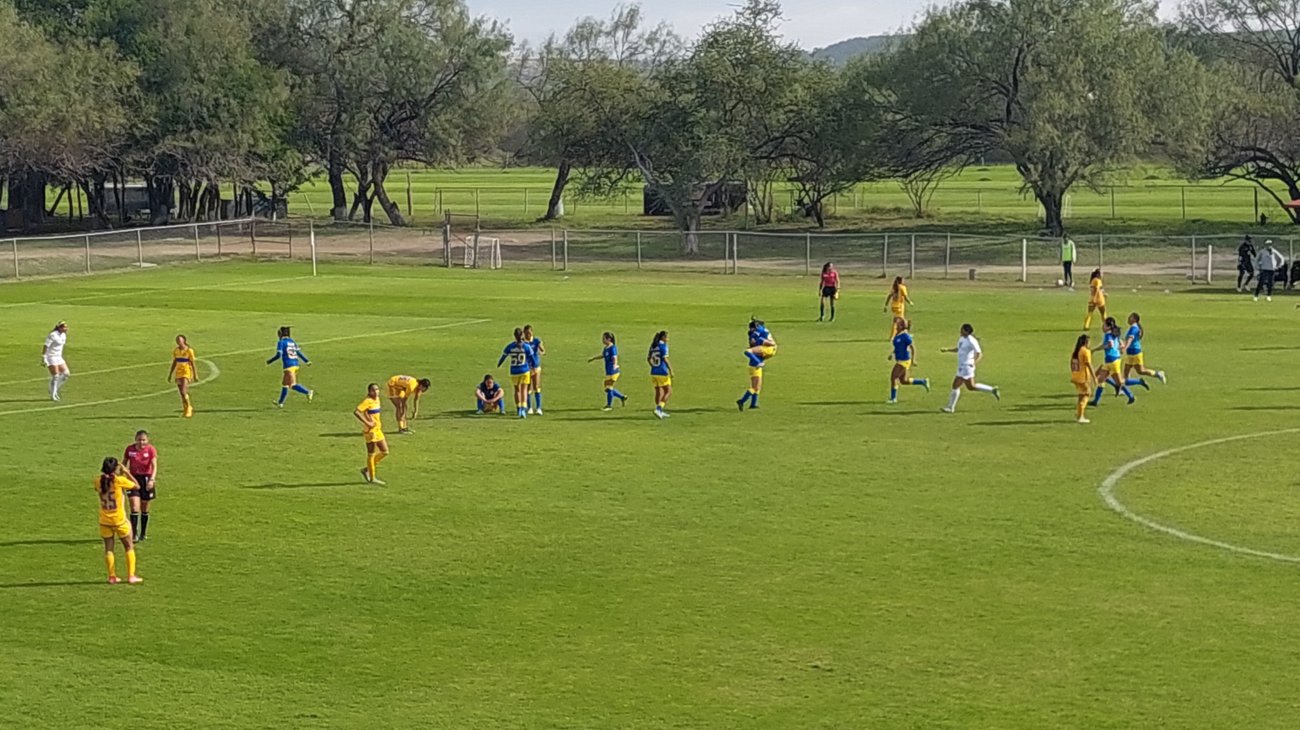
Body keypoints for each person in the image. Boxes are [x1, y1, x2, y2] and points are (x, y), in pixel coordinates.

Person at [95, 457, 142, 585]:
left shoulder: (97, 481)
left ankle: (112, 576)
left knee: (109, 549)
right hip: (119, 520)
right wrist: (126, 472)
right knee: (128, 546)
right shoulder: (119, 480)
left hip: (105, 520)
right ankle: (131, 576)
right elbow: (137, 486)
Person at [939, 323, 1000, 413]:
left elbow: (979, 353)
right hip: (962, 366)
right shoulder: (962, 338)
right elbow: (959, 349)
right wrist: (948, 350)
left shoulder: (972, 341)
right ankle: (992, 390)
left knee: (955, 385)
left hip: (966, 366)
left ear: (966, 331)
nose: (960, 331)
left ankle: (950, 407)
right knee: (971, 386)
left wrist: (974, 363)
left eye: (962, 330)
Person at [1091, 318, 1138, 406]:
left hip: (1113, 361)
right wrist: (1120, 348)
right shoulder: (1114, 333)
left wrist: (1096, 349)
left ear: (1108, 327)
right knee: (1101, 380)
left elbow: (1110, 344)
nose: (1102, 327)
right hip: (1111, 360)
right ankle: (1095, 401)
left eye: (1104, 325)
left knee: (1119, 382)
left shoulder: (1108, 335)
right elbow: (1121, 343)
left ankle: (1131, 396)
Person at [123, 430, 158, 542]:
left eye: (143, 440)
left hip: (146, 479)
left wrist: (152, 479)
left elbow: (154, 466)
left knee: (144, 508)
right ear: (135, 439)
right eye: (139, 440)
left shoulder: (150, 450)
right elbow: (124, 463)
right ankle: (134, 534)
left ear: (147, 440)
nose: (141, 442)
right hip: (133, 479)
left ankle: (143, 532)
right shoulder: (130, 449)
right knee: (134, 507)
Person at [266, 326, 314, 407]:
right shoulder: (292, 341)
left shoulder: (281, 342)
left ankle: (308, 392)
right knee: (285, 384)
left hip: (289, 365)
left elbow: (279, 355)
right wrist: (306, 361)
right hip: (295, 364)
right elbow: (298, 353)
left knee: (293, 385)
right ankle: (280, 403)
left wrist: (270, 361)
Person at [497, 328, 538, 418]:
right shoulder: (526, 346)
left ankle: (519, 408)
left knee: (517, 390)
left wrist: (499, 364)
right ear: (522, 335)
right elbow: (532, 358)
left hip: (514, 371)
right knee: (524, 390)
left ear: (514, 335)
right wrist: (534, 367)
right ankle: (523, 409)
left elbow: (503, 356)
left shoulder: (510, 346)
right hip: (524, 370)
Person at [887, 318, 930, 404]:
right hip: (899, 359)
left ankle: (893, 398)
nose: (896, 326)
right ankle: (923, 381)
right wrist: (892, 354)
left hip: (904, 361)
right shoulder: (898, 335)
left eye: (898, 324)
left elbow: (913, 348)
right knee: (903, 381)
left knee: (894, 377)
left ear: (902, 326)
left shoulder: (905, 336)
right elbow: (898, 347)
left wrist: (913, 360)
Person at [354, 382, 388, 485]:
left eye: (377, 389)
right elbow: (357, 411)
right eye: (373, 390)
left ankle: (366, 469)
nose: (376, 392)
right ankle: (372, 478)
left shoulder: (377, 399)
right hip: (370, 431)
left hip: (378, 430)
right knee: (371, 454)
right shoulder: (367, 401)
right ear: (369, 391)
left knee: (385, 452)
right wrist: (367, 422)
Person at [1121, 312, 1167, 386]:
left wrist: (1125, 348)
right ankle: (1125, 389)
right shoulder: (1132, 328)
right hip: (1130, 353)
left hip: (1135, 352)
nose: (1128, 318)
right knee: (1126, 370)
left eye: (1130, 317)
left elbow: (1130, 339)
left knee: (1141, 371)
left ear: (1134, 319)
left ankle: (1158, 374)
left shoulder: (1134, 328)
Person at [588, 332, 628, 411]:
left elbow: (614, 357)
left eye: (604, 338)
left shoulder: (613, 348)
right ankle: (622, 397)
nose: (602, 340)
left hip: (614, 371)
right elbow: (603, 355)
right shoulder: (606, 348)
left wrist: (615, 365)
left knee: (609, 387)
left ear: (609, 339)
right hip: (608, 372)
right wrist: (594, 358)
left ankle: (609, 406)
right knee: (607, 388)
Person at [167, 334, 198, 418]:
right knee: (181, 393)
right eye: (177, 341)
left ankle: (189, 408)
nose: (178, 342)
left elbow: (192, 363)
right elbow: (174, 362)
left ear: (184, 341)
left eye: (180, 340)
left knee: (184, 391)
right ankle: (185, 408)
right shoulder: (176, 351)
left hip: (186, 372)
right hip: (178, 373)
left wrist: (195, 374)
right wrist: (170, 374)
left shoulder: (189, 351)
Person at [1070, 334, 1096, 424]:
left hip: (1075, 377)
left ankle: (1079, 414)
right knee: (1087, 394)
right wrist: (1094, 378)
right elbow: (1089, 365)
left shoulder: (1076, 351)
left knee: (1081, 395)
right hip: (1083, 377)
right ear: (1085, 342)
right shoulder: (1085, 351)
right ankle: (1080, 416)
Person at [42, 320, 70, 402]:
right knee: (56, 376)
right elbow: (46, 346)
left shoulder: (63, 335)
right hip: (51, 357)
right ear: (60, 328)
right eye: (64, 327)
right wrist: (44, 357)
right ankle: (53, 394)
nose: (66, 328)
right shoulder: (52, 335)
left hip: (58, 356)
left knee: (66, 374)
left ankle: (53, 388)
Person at [647, 330, 673, 419]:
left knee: (658, 391)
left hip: (654, 372)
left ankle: (659, 411)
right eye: (667, 337)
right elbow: (665, 359)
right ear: (663, 337)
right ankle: (659, 408)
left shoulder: (653, 346)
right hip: (662, 371)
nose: (668, 339)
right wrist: (671, 370)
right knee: (668, 391)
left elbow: (648, 358)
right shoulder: (663, 346)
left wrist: (653, 366)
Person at [522, 324, 545, 415]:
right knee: (528, 388)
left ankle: (538, 407)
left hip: (535, 367)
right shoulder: (523, 342)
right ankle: (529, 407)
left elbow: (543, 350)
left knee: (536, 387)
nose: (529, 334)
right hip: (526, 367)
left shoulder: (536, 341)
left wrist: (540, 350)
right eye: (527, 333)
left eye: (530, 333)